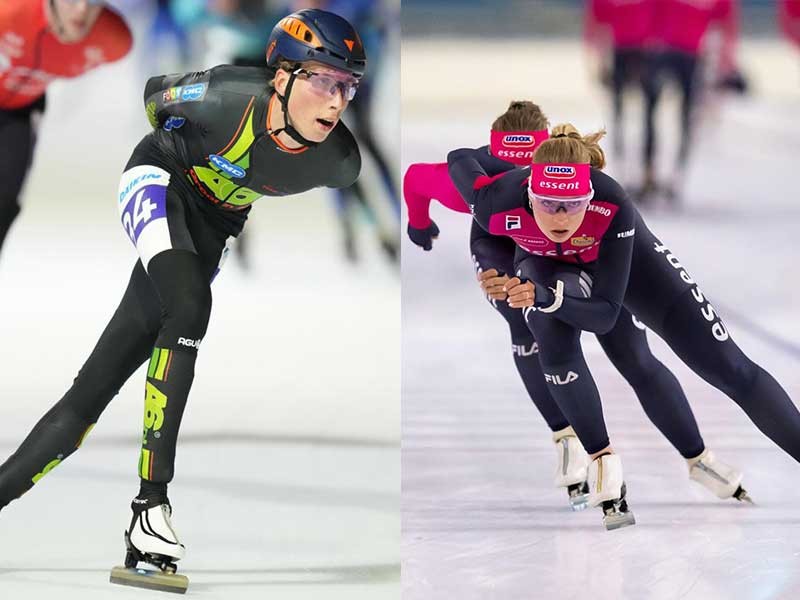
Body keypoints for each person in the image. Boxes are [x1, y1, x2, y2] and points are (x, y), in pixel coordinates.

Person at [0, 8, 365, 591]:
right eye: (322, 80)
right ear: (282, 76)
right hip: (158, 177)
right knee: (191, 305)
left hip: (213, 225)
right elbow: (154, 98)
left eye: (347, 86)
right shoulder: (222, 95)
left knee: (95, 387)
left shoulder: (339, 162)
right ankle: (151, 507)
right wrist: (184, 153)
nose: (336, 100)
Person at [448, 123, 800, 530]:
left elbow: (605, 313)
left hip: (624, 269)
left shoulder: (612, 202)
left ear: (590, 193)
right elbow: (460, 160)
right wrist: (493, 268)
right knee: (546, 334)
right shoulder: (496, 198)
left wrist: (549, 298)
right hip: (544, 264)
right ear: (528, 190)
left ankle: (698, 457)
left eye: (574, 204)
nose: (561, 218)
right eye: (547, 204)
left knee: (723, 366)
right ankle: (593, 453)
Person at [0, 0, 133, 258]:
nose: (82, 9)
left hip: (21, 110)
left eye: (94, 1)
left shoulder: (113, 39)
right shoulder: (10, 11)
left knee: (4, 202)